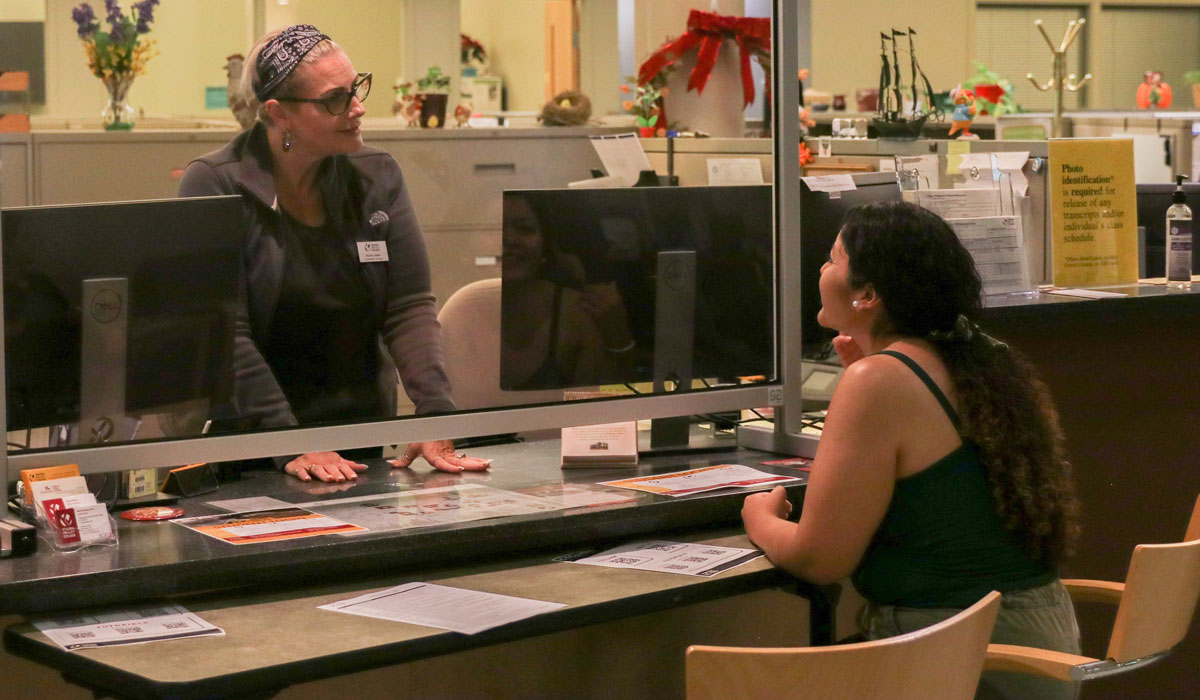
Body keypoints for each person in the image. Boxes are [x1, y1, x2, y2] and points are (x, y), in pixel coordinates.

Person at [742, 201, 1081, 700]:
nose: (821, 269)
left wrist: (760, 516)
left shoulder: (879, 382)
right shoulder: (986, 358)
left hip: (963, 654)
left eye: (833, 259)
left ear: (868, 294)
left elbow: (820, 559)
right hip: (1031, 642)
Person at [179, 25, 490, 482]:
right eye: (334, 99)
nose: (358, 108)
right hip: (255, 446)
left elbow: (407, 308)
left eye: (356, 88)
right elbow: (228, 333)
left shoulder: (376, 175)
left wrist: (435, 415)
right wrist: (289, 440)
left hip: (360, 441)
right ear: (279, 113)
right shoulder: (215, 183)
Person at [500, 194, 635, 390]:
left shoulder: (578, 315)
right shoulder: (456, 311)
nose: (509, 239)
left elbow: (595, 409)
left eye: (525, 229)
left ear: (545, 245)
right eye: (493, 229)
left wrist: (621, 341)